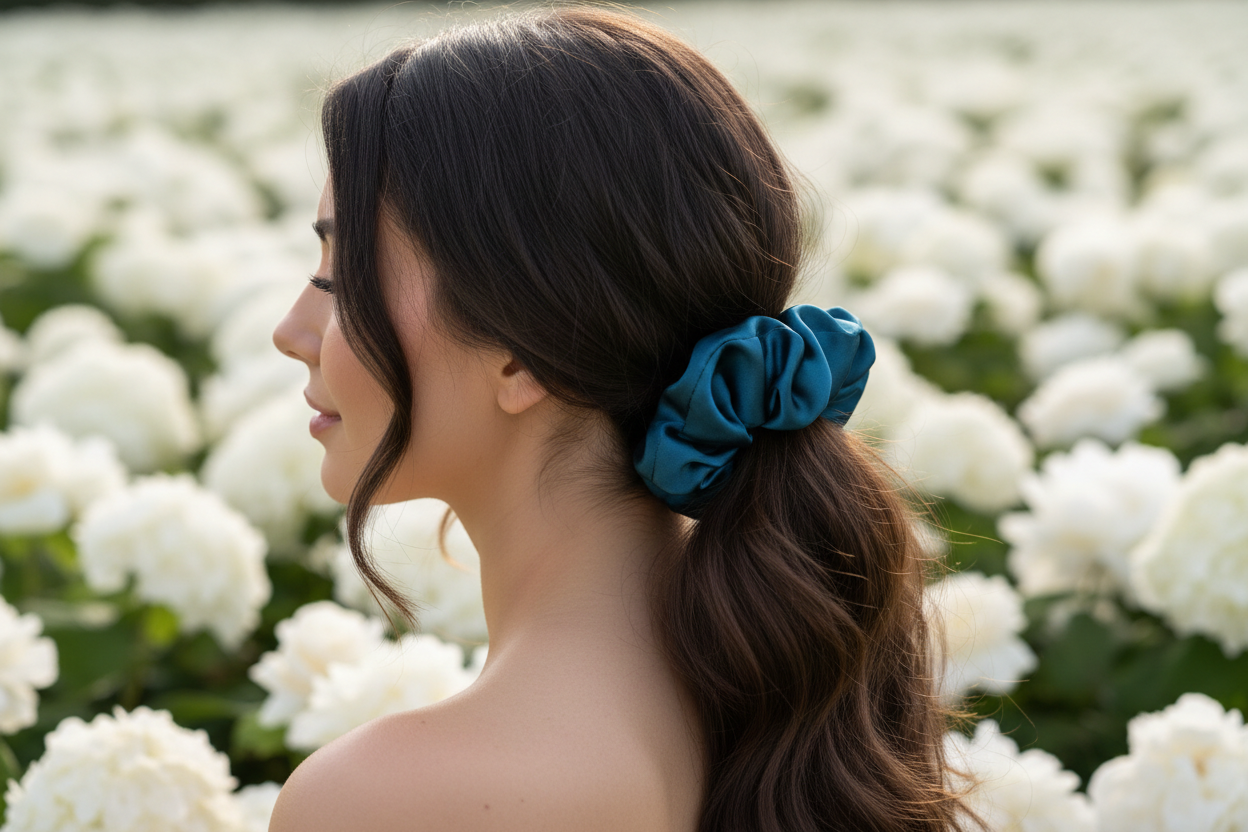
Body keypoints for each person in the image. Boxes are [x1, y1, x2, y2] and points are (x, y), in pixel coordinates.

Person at [271, 6, 974, 831]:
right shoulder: (772, 676)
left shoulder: (391, 799)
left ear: (522, 352)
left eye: (341, 275)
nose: (291, 333)